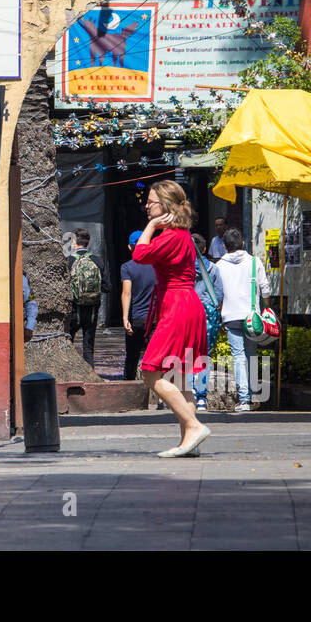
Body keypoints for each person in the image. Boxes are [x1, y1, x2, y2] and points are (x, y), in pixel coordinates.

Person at [131, 180, 211, 457]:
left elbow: (138, 255)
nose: (146, 205)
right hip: (187, 305)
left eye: (150, 202)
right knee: (180, 378)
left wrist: (151, 227)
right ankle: (189, 441)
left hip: (177, 307)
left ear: (165, 205)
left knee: (150, 371)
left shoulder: (170, 235)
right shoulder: (182, 235)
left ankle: (193, 425)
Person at [214, 228, 271, 413]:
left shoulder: (219, 266)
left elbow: (217, 295)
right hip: (252, 317)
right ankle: (254, 395)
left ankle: (244, 399)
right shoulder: (254, 262)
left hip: (230, 317)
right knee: (251, 355)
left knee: (239, 357)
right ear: (244, 244)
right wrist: (267, 307)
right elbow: (266, 289)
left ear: (224, 246)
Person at [190, 232, 225, 413]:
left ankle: (190, 394)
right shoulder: (212, 268)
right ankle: (202, 397)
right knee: (204, 354)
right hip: (207, 314)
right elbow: (219, 294)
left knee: (187, 353)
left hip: (187, 312)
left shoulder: (182, 268)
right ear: (204, 249)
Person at [120, 230, 158, 382]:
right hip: (156, 319)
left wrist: (124, 318)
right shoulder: (158, 265)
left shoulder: (127, 267)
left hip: (137, 319)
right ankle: (160, 398)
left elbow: (126, 293)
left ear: (130, 247)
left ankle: (129, 390)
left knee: (132, 356)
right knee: (156, 357)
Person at [66, 228, 107, 367]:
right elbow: (107, 286)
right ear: (87, 243)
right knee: (88, 348)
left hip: (73, 310)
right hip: (92, 311)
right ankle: (90, 375)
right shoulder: (97, 261)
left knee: (68, 343)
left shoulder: (69, 261)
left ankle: (69, 372)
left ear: (73, 242)